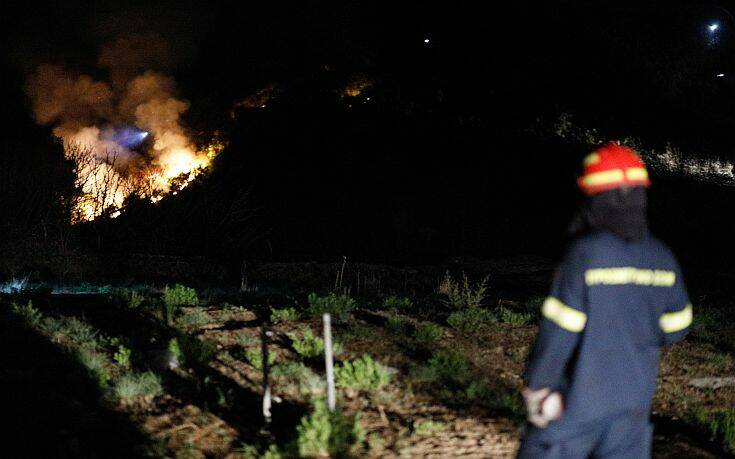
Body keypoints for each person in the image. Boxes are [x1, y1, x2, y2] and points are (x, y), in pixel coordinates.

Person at [517, 142, 693, 458]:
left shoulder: (586, 254)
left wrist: (539, 386)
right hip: (633, 405)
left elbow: (559, 331)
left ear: (593, 197)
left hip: (576, 403)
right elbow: (678, 326)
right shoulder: (662, 256)